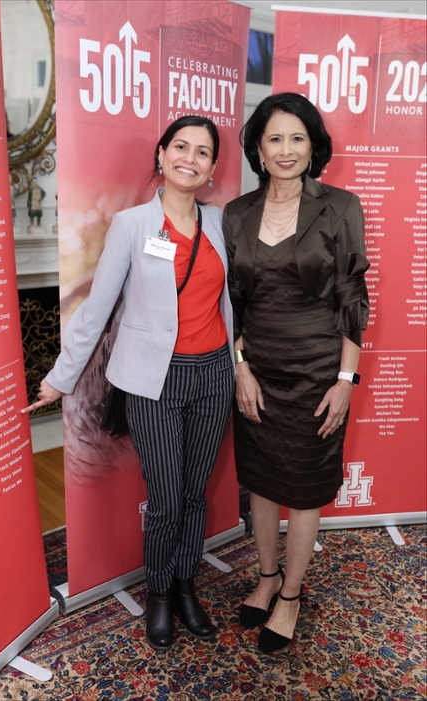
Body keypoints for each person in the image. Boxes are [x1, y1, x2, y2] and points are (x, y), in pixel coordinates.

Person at [22, 116, 235, 651]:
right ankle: (159, 593)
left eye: (202, 151)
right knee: (165, 499)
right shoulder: (132, 225)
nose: (190, 158)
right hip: (153, 381)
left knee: (194, 494)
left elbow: (231, 302)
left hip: (214, 375)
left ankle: (186, 585)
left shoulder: (218, 223)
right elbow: (96, 310)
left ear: (212, 167)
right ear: (161, 155)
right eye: (180, 146)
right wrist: (60, 378)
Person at [223, 93, 369, 654]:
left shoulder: (341, 207)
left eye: (297, 138)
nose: (286, 149)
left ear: (314, 148)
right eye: (274, 138)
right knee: (261, 481)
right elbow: (232, 304)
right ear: (258, 150)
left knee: (304, 487)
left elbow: (352, 299)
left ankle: (290, 594)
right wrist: (240, 369)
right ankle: (265, 576)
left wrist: (344, 381)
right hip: (257, 369)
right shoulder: (236, 213)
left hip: (317, 372)